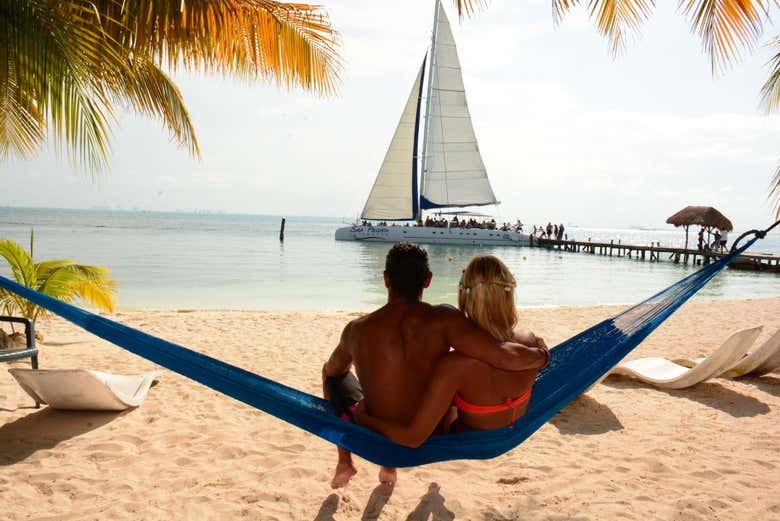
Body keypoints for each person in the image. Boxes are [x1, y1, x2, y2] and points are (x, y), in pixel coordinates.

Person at [322, 244, 548, 488]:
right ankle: (388, 465)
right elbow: (498, 353)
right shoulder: (444, 318)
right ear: (428, 280)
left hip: (383, 430)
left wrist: (364, 409)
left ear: (386, 279)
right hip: (434, 429)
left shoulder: (355, 330)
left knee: (332, 376)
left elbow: (333, 371)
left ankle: (345, 460)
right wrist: (543, 356)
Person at [356, 255, 549, 448]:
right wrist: (544, 354)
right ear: (509, 294)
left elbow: (412, 438)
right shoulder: (530, 342)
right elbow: (505, 358)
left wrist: (365, 419)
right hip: (513, 428)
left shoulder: (454, 366)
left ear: (465, 298)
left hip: (471, 441)